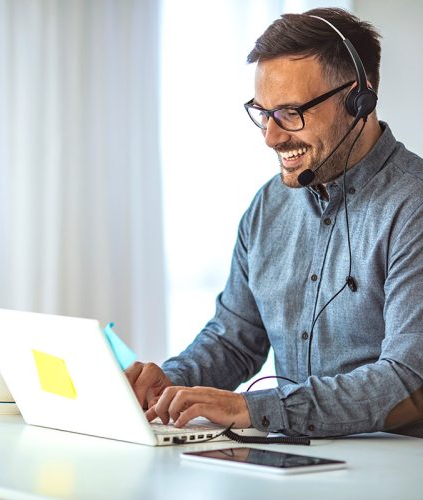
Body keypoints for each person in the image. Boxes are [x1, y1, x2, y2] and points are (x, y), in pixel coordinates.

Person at [126, 7, 423, 438]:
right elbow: (233, 339)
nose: (271, 135)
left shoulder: (412, 206)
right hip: (299, 459)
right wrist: (171, 384)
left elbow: (404, 377)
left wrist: (252, 408)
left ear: (360, 98)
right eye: (262, 112)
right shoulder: (269, 205)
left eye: (290, 112)